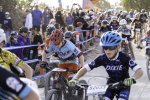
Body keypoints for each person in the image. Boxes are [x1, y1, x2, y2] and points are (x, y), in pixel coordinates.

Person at [69, 31, 143, 100]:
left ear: (117, 47)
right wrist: (75, 78)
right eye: (105, 47)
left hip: (124, 85)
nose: (107, 50)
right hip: (110, 85)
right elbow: (85, 68)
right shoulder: (102, 58)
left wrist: (133, 78)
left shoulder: (124, 57)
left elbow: (139, 71)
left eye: (111, 48)